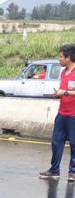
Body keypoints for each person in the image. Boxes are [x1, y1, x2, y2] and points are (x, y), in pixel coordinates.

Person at [39, 44, 75, 181]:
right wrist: (59, 94)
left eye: (61, 57)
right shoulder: (63, 72)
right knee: (56, 142)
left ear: (69, 57)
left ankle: (73, 172)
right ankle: (54, 170)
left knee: (74, 144)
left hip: (73, 115)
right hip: (62, 114)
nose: (59, 59)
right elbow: (63, 90)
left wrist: (64, 92)